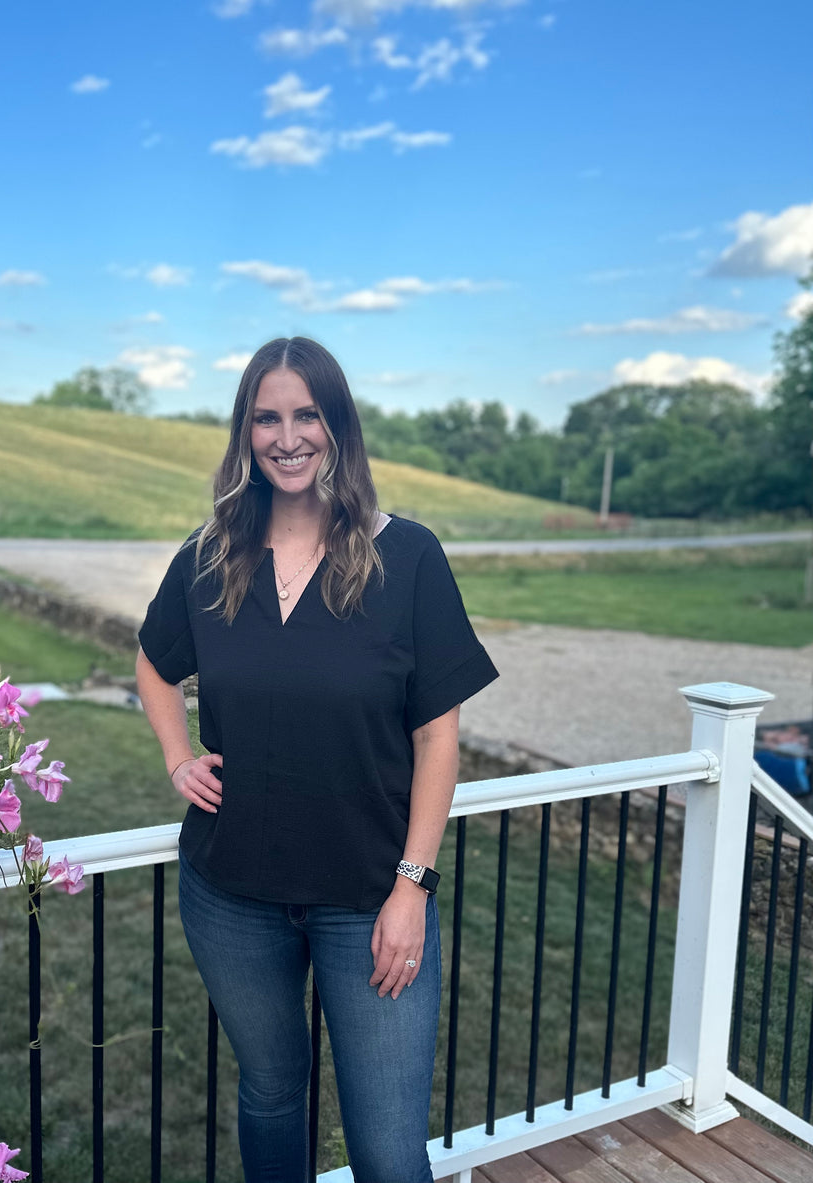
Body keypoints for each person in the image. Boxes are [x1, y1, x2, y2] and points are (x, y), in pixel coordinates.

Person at [136, 337, 498, 1183]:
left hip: (371, 898)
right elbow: (154, 662)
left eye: (306, 414)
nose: (286, 435)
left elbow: (437, 736)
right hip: (232, 894)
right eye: (267, 416)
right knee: (269, 1091)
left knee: (384, 1145)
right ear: (245, 431)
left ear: (337, 425)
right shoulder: (209, 555)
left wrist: (412, 887)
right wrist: (176, 755)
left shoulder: (406, 556)